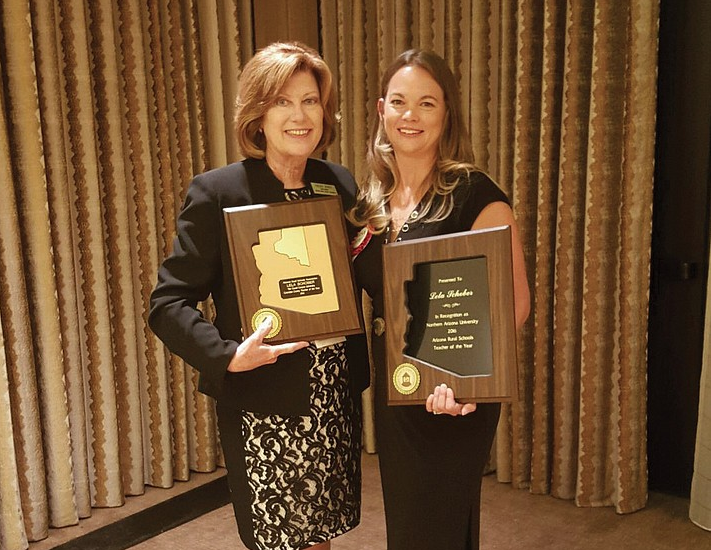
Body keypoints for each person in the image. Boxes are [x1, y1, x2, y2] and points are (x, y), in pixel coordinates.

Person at [149, 42, 369, 550]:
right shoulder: (219, 191)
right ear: (258, 114)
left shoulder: (338, 183)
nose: (299, 115)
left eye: (310, 100)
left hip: (332, 391)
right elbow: (168, 303)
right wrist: (228, 357)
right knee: (279, 538)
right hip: (265, 398)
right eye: (282, 102)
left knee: (320, 534)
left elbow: (370, 270)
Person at [349, 49, 531, 549]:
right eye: (400, 102)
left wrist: (466, 383)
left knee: (437, 521)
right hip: (398, 389)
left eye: (427, 104)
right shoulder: (370, 202)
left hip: (455, 396)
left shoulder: (474, 193)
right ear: (381, 109)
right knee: (411, 523)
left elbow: (514, 302)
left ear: (446, 112)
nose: (411, 116)